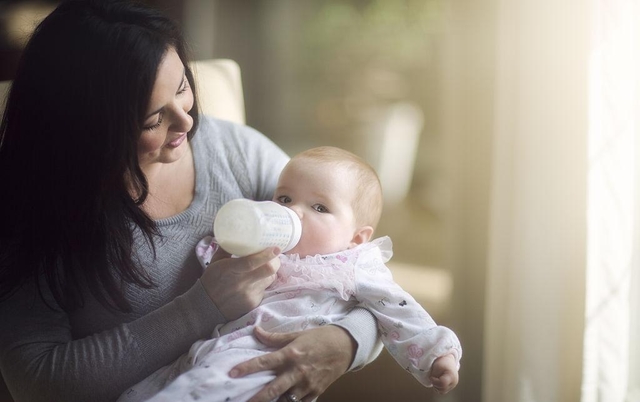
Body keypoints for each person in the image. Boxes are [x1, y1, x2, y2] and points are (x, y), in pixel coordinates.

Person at [0, 2, 382, 402]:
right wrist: (203, 306)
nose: (187, 122)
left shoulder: (235, 151)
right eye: (153, 120)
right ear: (88, 130)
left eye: (182, 87)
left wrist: (346, 342)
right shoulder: (28, 209)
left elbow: (361, 260)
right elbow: (38, 382)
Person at [118, 146, 462, 402]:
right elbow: (217, 266)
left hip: (264, 361)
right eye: (284, 198)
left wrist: (438, 354)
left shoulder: (354, 264)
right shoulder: (265, 249)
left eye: (319, 207)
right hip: (210, 348)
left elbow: (398, 309)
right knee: (142, 391)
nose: (294, 212)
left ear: (356, 237)